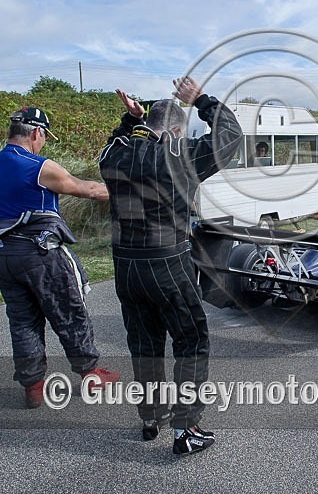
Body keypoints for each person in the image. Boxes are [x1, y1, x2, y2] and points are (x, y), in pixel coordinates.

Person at [99, 77, 242, 454]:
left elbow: (114, 143)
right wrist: (201, 100)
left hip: (125, 268)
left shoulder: (114, 155)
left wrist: (131, 121)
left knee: (143, 344)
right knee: (191, 341)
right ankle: (186, 429)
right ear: (177, 130)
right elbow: (231, 137)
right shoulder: (180, 155)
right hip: (167, 262)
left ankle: (151, 417)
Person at [0, 107, 119, 409]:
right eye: (44, 136)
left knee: (22, 321)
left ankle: (33, 385)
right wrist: (126, 189)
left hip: (4, 254)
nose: (43, 142)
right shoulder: (38, 165)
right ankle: (91, 374)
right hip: (40, 254)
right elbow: (89, 190)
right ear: (35, 133)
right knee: (69, 311)